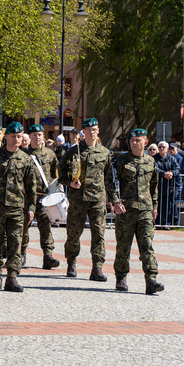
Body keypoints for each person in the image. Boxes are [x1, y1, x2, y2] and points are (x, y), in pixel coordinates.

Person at [0, 122, 36, 292]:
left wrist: (31, 207)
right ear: (6, 137)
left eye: (19, 137)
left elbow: (32, 186)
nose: (16, 139)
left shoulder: (26, 159)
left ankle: (12, 277)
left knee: (15, 242)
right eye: (13, 136)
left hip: (17, 208)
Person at [58, 117, 116, 282]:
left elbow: (109, 178)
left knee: (99, 234)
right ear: (83, 131)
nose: (92, 132)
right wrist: (69, 182)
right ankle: (71, 262)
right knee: (73, 233)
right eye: (89, 129)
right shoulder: (74, 151)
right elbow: (60, 171)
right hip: (78, 199)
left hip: (97, 199)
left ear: (98, 131)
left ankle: (97, 267)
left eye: (95, 129)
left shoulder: (105, 153)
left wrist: (114, 199)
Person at [112, 128, 165, 295]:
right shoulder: (121, 161)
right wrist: (115, 202)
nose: (135, 142)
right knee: (123, 246)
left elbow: (154, 186)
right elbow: (110, 183)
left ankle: (151, 279)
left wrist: (155, 207)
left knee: (147, 245)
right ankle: (121, 278)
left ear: (145, 141)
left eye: (138, 140)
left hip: (145, 211)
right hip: (126, 211)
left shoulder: (150, 162)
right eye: (132, 140)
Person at [23, 124, 61, 269]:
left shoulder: (50, 154)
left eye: (40, 134)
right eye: (34, 135)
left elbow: (56, 174)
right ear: (29, 137)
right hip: (28, 198)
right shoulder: (23, 155)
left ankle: (48, 255)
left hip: (44, 197)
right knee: (24, 227)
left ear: (43, 137)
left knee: (45, 227)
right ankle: (21, 254)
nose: (37, 137)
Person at [154, 141, 181, 226]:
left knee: (168, 206)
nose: (161, 149)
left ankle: (167, 223)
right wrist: (164, 174)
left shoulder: (172, 158)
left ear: (167, 149)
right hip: (157, 186)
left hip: (169, 186)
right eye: (160, 147)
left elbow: (177, 169)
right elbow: (154, 169)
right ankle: (158, 223)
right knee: (158, 205)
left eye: (163, 147)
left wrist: (172, 173)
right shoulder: (154, 158)